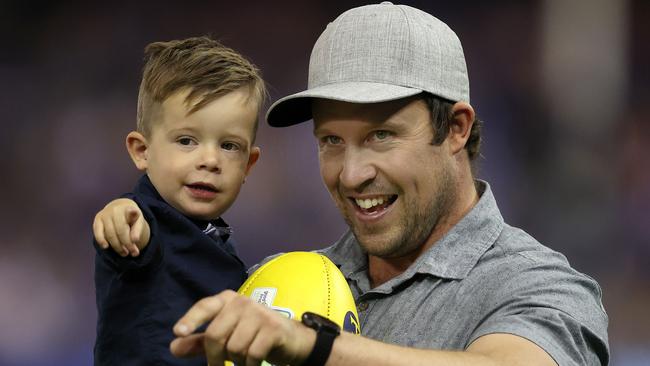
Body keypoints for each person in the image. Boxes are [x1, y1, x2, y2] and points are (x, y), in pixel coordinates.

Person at [95, 3, 609, 366]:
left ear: (455, 128)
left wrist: (314, 347)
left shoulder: (538, 286)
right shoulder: (275, 282)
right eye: (331, 141)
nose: (350, 172)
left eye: (381, 135)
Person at [92, 36, 265, 365]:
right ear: (142, 151)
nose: (210, 160)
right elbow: (132, 232)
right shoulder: (147, 222)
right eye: (187, 141)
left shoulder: (216, 240)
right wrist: (120, 217)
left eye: (229, 146)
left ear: (249, 164)